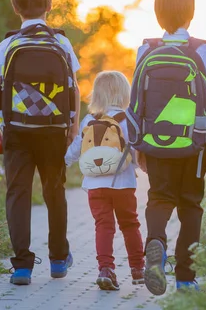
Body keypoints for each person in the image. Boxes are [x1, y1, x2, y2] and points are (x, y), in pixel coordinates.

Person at [0, 0, 81, 285]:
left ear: (16, 6)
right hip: (54, 129)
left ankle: (23, 266)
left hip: (17, 130)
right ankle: (57, 260)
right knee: (55, 191)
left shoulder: (9, 43)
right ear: (49, 6)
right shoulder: (62, 42)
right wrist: (73, 125)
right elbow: (74, 89)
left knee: (18, 193)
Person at [134, 0, 206, 294]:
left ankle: (156, 241)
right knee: (191, 205)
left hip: (156, 139)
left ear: (158, 16)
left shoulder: (146, 50)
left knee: (160, 197)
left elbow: (139, 101)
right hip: (195, 144)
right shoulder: (203, 51)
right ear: (191, 14)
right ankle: (186, 278)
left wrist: (139, 146)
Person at [65, 71, 145, 291]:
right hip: (123, 184)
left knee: (103, 226)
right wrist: (141, 167)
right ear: (124, 93)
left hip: (94, 185)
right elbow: (136, 150)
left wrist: (64, 162)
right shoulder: (128, 119)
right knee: (130, 225)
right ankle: (138, 269)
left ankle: (105, 269)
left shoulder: (89, 120)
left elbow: (76, 148)